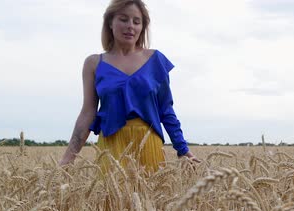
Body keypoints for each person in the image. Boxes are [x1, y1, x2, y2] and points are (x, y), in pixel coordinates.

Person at [59, 0, 200, 172]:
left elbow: (166, 109)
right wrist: (68, 159)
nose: (130, 26)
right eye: (123, 19)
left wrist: (183, 149)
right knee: (109, 198)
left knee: (151, 198)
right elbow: (88, 113)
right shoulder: (94, 63)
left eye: (136, 21)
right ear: (110, 22)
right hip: (111, 147)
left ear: (143, 27)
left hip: (149, 146)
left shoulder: (155, 60)